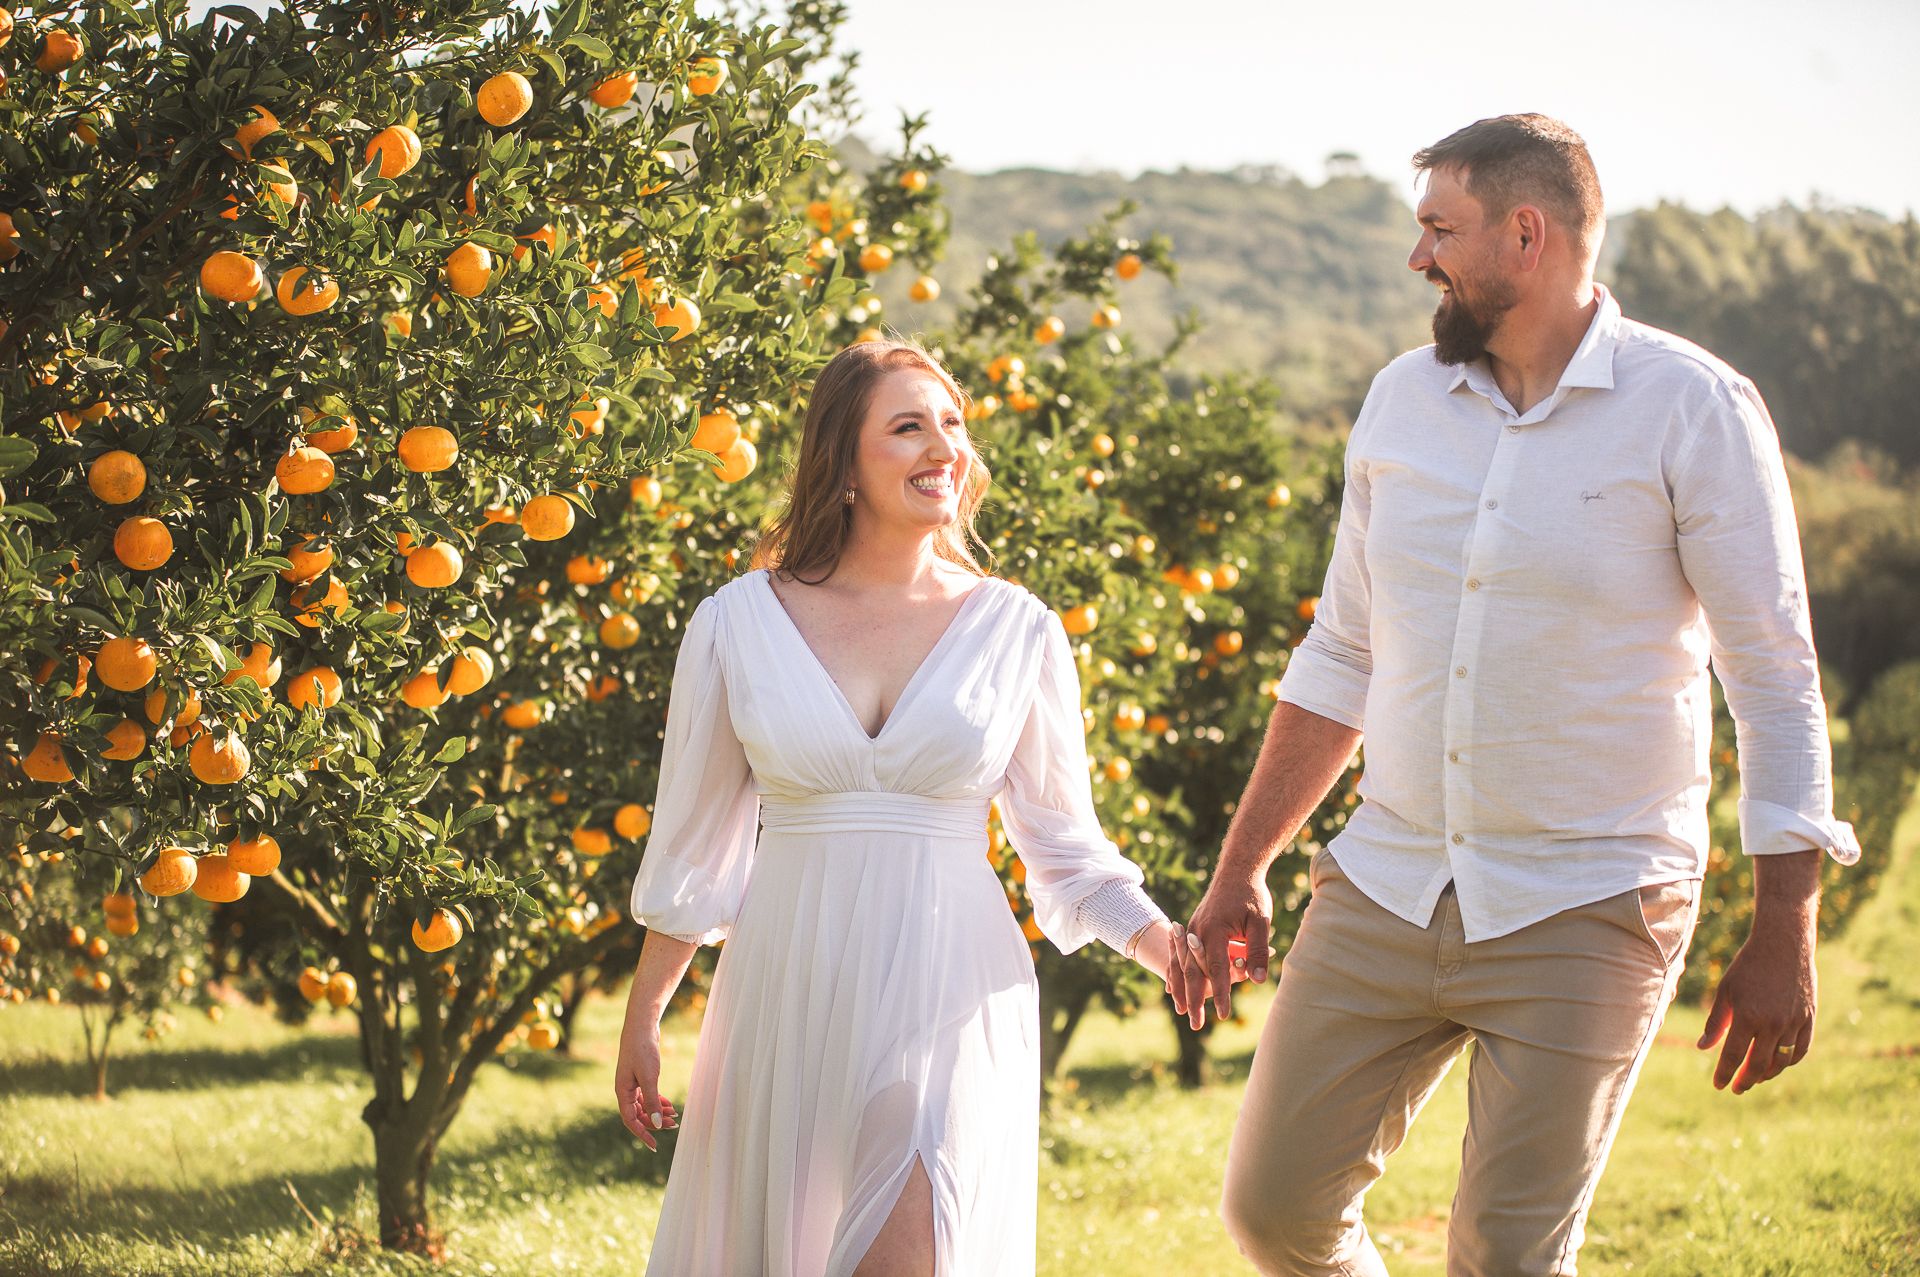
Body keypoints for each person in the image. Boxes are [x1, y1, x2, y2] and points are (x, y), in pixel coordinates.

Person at [1181, 114, 1861, 1276]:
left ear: (1526, 234)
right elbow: (1344, 651)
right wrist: (1241, 865)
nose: (1418, 260)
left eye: (1440, 230)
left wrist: (1785, 927)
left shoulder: (1693, 407)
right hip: (1388, 878)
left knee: (1506, 1255)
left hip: (1593, 898)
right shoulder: (1401, 400)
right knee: (1275, 1208)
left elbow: (1777, 682)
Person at [612, 339, 1209, 1275]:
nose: (945, 446)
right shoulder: (736, 621)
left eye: (954, 424)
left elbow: (1068, 850)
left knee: (915, 1239)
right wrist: (646, 1013)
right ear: (842, 464)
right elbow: (694, 846)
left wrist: (1162, 941)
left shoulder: (1018, 628)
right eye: (908, 426)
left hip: (949, 986)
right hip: (788, 984)